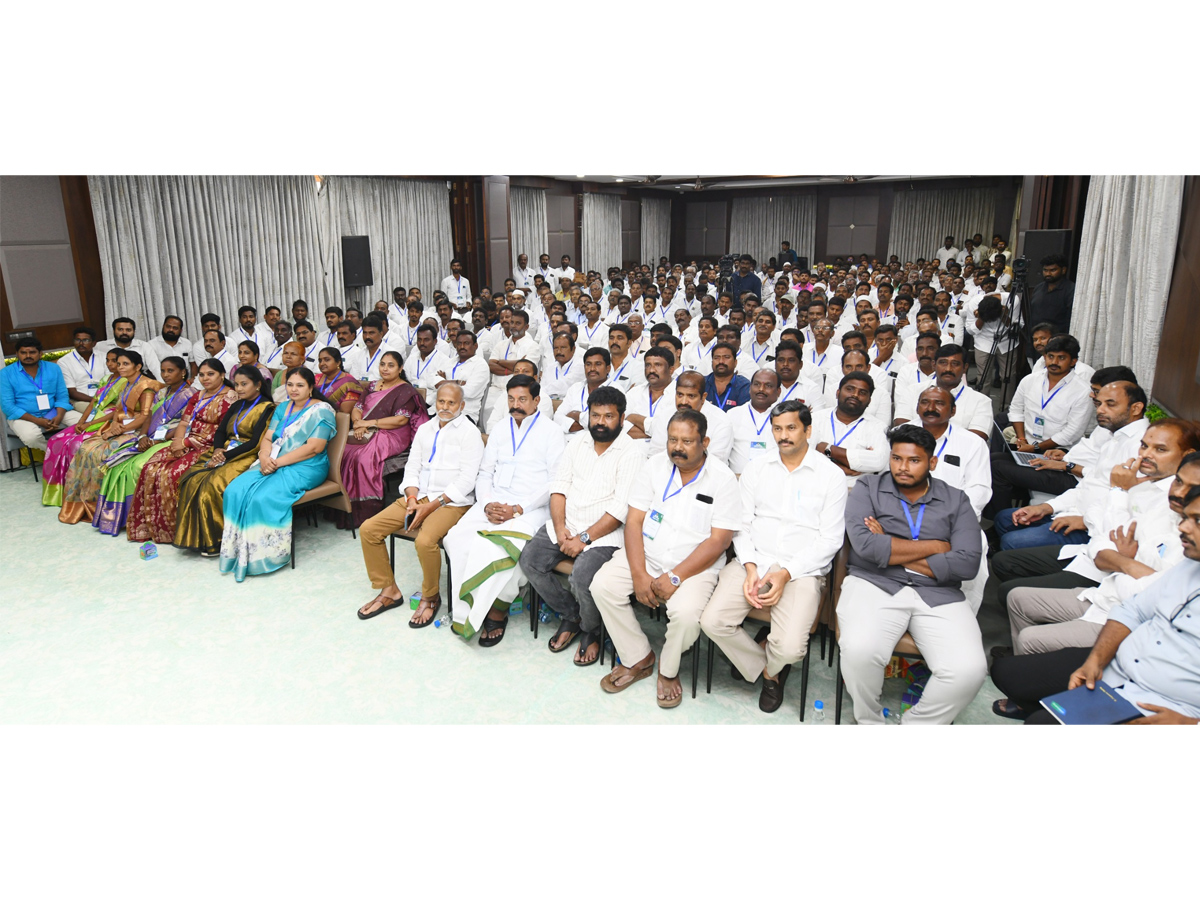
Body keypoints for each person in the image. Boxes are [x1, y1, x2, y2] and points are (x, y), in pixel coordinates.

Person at [989, 486, 1200, 724]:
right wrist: (1095, 660)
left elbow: (1127, 581)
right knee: (1006, 672)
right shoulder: (1190, 564)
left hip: (1171, 707)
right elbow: (1134, 608)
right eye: (1187, 518)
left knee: (1040, 722)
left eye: (1198, 520)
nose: (1183, 526)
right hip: (1120, 666)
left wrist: (1189, 724)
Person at [701, 400, 846, 711]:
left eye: (791, 428)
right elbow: (741, 524)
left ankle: (772, 669)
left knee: (792, 649)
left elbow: (830, 539)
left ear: (808, 430)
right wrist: (752, 567)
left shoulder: (830, 476)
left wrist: (785, 572)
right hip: (753, 559)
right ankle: (765, 667)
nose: (784, 435)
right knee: (713, 622)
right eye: (777, 429)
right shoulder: (757, 467)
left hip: (801, 571)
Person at [988, 419, 1200, 630]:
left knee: (1009, 589)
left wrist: (1118, 495)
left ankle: (1052, 632)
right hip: (1093, 553)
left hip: (1109, 577)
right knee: (1003, 560)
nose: (1145, 454)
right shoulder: (1142, 479)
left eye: (1160, 449)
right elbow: (1098, 514)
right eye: (1144, 446)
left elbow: (1120, 542)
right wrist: (1105, 540)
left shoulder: (1176, 500)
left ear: (1187, 454)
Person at [592, 409, 741, 708]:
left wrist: (675, 577)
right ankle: (639, 657)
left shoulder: (723, 480)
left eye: (687, 441)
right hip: (648, 553)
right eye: (673, 439)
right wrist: (639, 574)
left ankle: (668, 670)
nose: (677, 447)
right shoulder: (654, 466)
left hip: (695, 568)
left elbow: (720, 540)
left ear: (705, 442)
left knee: (686, 616)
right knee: (602, 585)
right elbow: (633, 522)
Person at [838, 424, 987, 724]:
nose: (902, 467)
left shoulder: (956, 500)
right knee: (858, 651)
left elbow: (967, 564)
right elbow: (865, 547)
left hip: (938, 591)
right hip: (874, 583)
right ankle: (869, 721)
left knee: (969, 670)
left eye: (914, 460)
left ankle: (918, 726)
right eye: (896, 458)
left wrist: (890, 549)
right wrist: (936, 547)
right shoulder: (868, 488)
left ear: (932, 463)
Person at [520, 386, 642, 665]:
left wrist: (583, 539)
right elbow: (559, 489)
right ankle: (572, 614)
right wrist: (561, 527)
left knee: (583, 577)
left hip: (605, 534)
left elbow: (620, 509)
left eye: (608, 416)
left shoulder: (632, 453)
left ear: (622, 419)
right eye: (595, 415)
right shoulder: (577, 443)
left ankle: (591, 629)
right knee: (530, 560)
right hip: (568, 524)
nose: (600, 422)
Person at [443, 375, 566, 644]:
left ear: (537, 400)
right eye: (511, 399)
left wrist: (518, 509)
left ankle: (497, 611)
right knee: (455, 539)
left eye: (522, 399)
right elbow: (485, 472)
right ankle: (468, 609)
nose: (516, 405)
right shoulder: (500, 429)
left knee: (497, 549)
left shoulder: (552, 432)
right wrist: (487, 503)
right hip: (495, 501)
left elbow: (554, 482)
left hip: (533, 506)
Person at [357, 383, 482, 625]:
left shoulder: (469, 433)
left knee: (426, 542)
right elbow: (412, 467)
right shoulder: (425, 428)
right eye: (441, 402)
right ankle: (389, 591)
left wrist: (431, 505)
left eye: (451, 403)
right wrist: (413, 499)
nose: (445, 407)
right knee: (369, 529)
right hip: (417, 497)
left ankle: (431, 596)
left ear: (462, 405)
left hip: (452, 502)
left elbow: (467, 480)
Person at [990, 380, 1148, 542]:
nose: (1100, 410)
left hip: (1092, 526)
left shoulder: (1142, 446)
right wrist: (1046, 508)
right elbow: (1087, 486)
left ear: (1136, 408)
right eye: (1099, 404)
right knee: (1004, 518)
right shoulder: (1114, 436)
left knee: (1011, 542)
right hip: (1076, 508)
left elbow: (1128, 507)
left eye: (1110, 404)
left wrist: (1085, 520)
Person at [218, 367, 337, 581]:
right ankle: (238, 553)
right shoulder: (282, 408)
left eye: (300, 385)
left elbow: (314, 448)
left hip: (307, 466)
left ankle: (264, 557)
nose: (293, 389)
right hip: (273, 460)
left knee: (262, 498)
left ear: (311, 388)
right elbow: (267, 438)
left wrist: (276, 463)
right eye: (290, 385)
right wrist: (264, 458)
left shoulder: (322, 410)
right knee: (234, 490)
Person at [127, 359, 237, 544]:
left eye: (211, 374)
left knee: (172, 474)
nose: (205, 378)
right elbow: (185, 423)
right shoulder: (198, 396)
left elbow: (222, 430)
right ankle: (154, 528)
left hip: (209, 445)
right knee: (150, 468)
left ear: (222, 375)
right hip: (186, 441)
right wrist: (177, 442)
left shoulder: (230, 397)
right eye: (202, 374)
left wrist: (185, 442)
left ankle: (175, 530)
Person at [173, 366, 276, 555]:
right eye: (236, 384)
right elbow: (220, 431)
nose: (239, 389)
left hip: (246, 454)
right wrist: (218, 449)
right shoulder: (237, 405)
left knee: (213, 485)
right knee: (191, 478)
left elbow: (255, 443)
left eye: (244, 384)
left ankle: (219, 541)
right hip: (224, 450)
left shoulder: (267, 408)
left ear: (258, 385)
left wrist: (225, 456)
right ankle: (198, 538)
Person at [93, 356, 196, 536]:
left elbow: (186, 425)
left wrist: (158, 440)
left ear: (183, 372)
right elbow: (148, 417)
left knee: (136, 467)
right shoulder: (162, 393)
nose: (165, 375)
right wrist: (142, 436)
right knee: (118, 465)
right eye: (163, 371)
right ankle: (120, 518)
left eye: (170, 371)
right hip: (150, 435)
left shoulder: (191, 394)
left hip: (171, 438)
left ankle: (141, 519)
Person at [59, 350, 161, 525]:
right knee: (85, 449)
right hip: (120, 427)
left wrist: (119, 431)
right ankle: (82, 505)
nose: (120, 367)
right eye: (119, 364)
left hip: (136, 430)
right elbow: (118, 411)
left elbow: (144, 416)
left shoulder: (146, 386)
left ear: (138, 367)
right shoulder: (125, 385)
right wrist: (110, 426)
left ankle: (103, 507)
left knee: (102, 454)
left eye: (125, 364)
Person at [341, 351, 429, 528]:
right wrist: (358, 422)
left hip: (393, 433)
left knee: (364, 457)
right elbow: (358, 407)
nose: (385, 369)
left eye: (391, 365)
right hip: (364, 428)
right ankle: (345, 509)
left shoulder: (406, 391)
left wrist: (368, 423)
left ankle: (366, 511)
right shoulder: (372, 386)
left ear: (400, 368)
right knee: (344, 453)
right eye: (383, 364)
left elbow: (400, 420)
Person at [40, 349, 124, 507]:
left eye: (116, 361)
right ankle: (58, 491)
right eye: (108, 360)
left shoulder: (126, 382)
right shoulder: (106, 378)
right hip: (94, 415)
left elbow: (119, 410)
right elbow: (93, 402)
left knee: (75, 444)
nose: (111, 364)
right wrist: (82, 420)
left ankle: (78, 492)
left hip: (108, 419)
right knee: (55, 440)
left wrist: (89, 424)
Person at [893, 344, 992, 441]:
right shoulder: (913, 391)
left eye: (955, 364)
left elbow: (977, 440)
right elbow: (901, 425)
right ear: (934, 365)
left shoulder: (981, 401)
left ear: (965, 368)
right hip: (915, 451)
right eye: (943, 363)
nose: (948, 369)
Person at [0, 336, 82, 452]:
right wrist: (37, 420)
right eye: (23, 353)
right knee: (31, 437)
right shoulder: (6, 373)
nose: (28, 356)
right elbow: (8, 406)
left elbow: (62, 396)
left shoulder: (53, 368)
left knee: (86, 423)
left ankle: (77, 451)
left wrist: (58, 416)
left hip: (53, 411)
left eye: (32, 352)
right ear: (17, 354)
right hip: (24, 416)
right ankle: (58, 453)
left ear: (40, 354)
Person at [808, 373, 890, 487]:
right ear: (837, 393)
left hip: (855, 491)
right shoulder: (814, 419)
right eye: (850, 389)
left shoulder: (878, 427)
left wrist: (827, 448)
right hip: (814, 484)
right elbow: (803, 456)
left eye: (862, 392)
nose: (855, 395)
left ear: (869, 401)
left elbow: (878, 461)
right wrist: (843, 468)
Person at [647, 371, 734, 464]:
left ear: (703, 397)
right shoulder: (666, 414)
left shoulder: (721, 422)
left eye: (691, 396)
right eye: (680, 395)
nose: (684, 402)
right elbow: (654, 456)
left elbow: (716, 464)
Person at [727, 369, 782, 475]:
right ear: (750, 388)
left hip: (774, 481)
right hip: (738, 481)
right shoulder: (732, 415)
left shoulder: (785, 417)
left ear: (778, 391)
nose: (761, 389)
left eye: (768, 386)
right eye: (756, 384)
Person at [553, 346, 612, 436]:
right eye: (588, 364)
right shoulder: (575, 388)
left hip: (597, 441)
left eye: (598, 364)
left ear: (608, 368)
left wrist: (575, 415)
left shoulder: (614, 390)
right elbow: (557, 417)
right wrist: (582, 424)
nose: (592, 368)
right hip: (568, 441)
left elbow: (604, 422)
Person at [432, 330, 489, 422]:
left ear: (475, 346)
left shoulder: (481, 365)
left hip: (465, 414)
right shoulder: (450, 361)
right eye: (459, 343)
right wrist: (458, 382)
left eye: (466, 343)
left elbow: (469, 392)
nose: (462, 347)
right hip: (441, 411)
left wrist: (444, 382)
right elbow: (433, 382)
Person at [1026, 253, 1076, 340]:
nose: (1048, 274)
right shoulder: (1038, 288)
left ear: (1063, 270)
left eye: (1053, 270)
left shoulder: (1071, 290)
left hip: (1057, 341)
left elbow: (1070, 318)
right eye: (1045, 270)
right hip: (1035, 339)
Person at [95, 317, 162, 379]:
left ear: (134, 331)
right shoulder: (100, 346)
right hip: (109, 383)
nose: (124, 332)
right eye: (120, 329)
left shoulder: (143, 346)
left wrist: (164, 388)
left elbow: (156, 369)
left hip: (136, 383)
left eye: (128, 330)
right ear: (113, 331)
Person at [56, 326, 105, 411]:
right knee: (99, 413)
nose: (81, 343)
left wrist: (105, 399)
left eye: (86, 340)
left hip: (105, 397)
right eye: (77, 340)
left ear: (94, 343)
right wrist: (95, 400)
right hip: (81, 401)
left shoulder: (104, 357)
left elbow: (112, 382)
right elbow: (72, 392)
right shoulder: (64, 361)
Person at [314, 347, 363, 415]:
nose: (322, 363)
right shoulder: (316, 378)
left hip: (334, 419)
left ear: (338, 362)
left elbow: (344, 412)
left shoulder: (349, 383)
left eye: (327, 360)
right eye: (320, 361)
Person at [704, 343, 751, 412]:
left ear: (735, 362)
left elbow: (744, 414)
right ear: (712, 362)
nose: (721, 361)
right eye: (716, 358)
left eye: (726, 357)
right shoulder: (702, 383)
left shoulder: (744, 385)